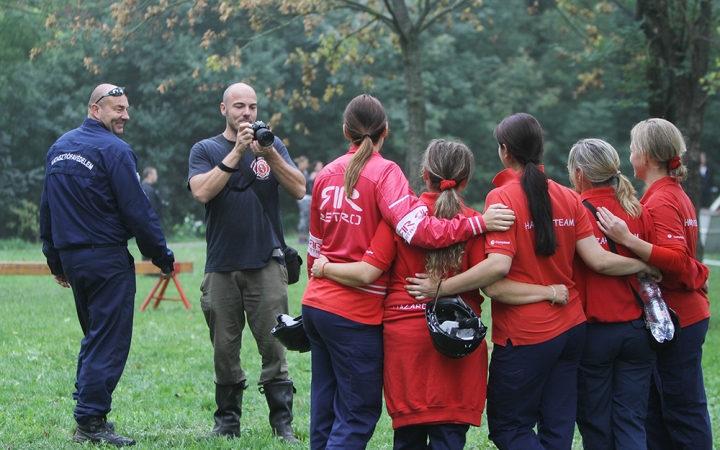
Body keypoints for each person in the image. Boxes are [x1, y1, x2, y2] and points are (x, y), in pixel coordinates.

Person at [405, 113, 660, 450]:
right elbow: (598, 260)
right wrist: (644, 263)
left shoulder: (502, 198)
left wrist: (440, 289)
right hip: (572, 331)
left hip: (527, 335)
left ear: (504, 151)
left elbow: (495, 274)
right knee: (557, 431)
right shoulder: (569, 197)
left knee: (509, 429)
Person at [310, 139, 568, 450]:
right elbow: (490, 276)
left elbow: (370, 269)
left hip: (405, 341)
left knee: (408, 439)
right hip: (459, 341)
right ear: (466, 179)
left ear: (424, 175)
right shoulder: (479, 223)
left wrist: (324, 267)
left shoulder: (400, 223)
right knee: (449, 438)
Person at [301, 94, 516, 449]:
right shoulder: (466, 218)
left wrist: (321, 269)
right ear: (464, 181)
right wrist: (476, 225)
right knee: (380, 421)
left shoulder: (325, 175)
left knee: (332, 408)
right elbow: (428, 237)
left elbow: (316, 244)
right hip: (446, 337)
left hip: (362, 321)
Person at [39, 84, 175, 447]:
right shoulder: (115, 150)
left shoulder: (59, 148)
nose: (125, 115)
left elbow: (47, 209)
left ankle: (87, 412)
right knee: (108, 340)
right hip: (106, 259)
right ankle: (90, 421)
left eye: (126, 108)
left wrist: (55, 259)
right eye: (117, 109)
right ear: (95, 110)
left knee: (94, 335)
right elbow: (137, 210)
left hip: (73, 258)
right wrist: (161, 256)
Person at [187, 82, 306, 443]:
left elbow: (299, 189)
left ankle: (282, 424)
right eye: (239, 106)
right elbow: (202, 191)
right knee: (224, 348)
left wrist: (268, 154)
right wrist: (237, 152)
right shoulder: (205, 149)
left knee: (274, 345)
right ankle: (227, 422)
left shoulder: (271, 145)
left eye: (252, 106)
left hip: (266, 261)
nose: (247, 113)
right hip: (221, 264)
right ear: (223, 109)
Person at [596, 118, 712, 450]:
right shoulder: (672, 193)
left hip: (680, 318)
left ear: (644, 155)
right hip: (682, 315)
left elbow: (675, 260)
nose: (629, 154)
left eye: (632, 148)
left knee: (684, 411)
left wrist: (627, 239)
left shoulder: (661, 200)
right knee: (664, 410)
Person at [566, 139, 657, 449]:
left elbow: (594, 263)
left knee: (596, 422)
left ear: (579, 174)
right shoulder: (637, 209)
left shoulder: (575, 212)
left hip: (595, 332)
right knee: (632, 419)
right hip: (636, 329)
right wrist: (642, 264)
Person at [295, 156, 311, 243]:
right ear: (301, 163)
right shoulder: (298, 172)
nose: (307, 165)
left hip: (308, 197)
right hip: (303, 198)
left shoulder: (305, 172)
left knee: (308, 218)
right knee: (304, 217)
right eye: (305, 163)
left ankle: (305, 236)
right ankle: (302, 237)